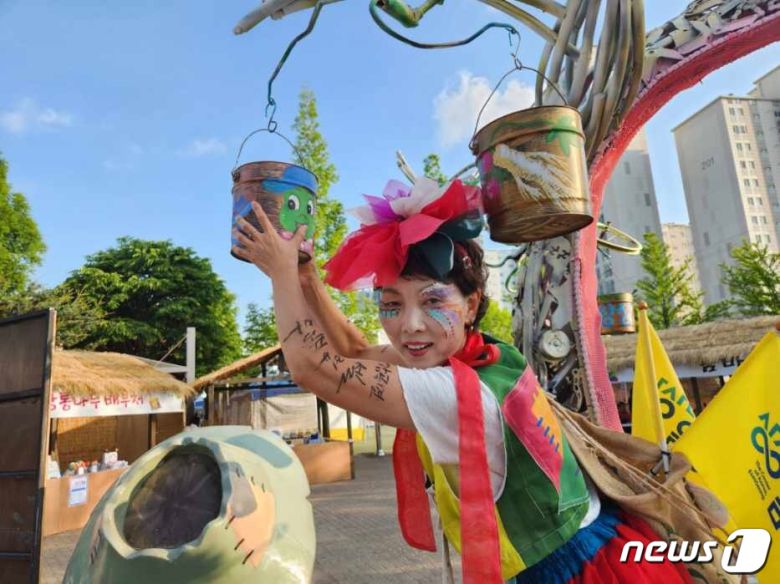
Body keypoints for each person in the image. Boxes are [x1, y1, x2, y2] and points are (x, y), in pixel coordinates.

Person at [232, 178, 694, 583]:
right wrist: (306, 275)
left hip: (578, 573)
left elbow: (314, 367)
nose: (410, 325)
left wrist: (278, 274)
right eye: (390, 305)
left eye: (433, 301)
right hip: (604, 548)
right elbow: (353, 350)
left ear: (472, 304)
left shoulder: (452, 392)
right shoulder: (491, 355)